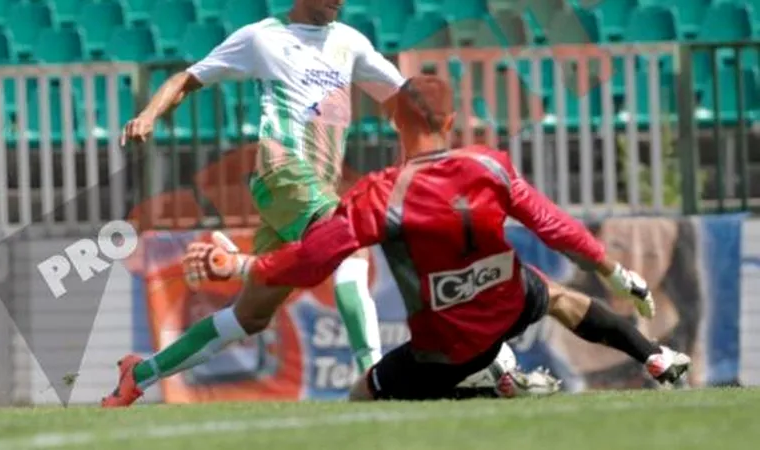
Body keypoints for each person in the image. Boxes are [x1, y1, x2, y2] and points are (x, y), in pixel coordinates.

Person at [104, 0, 545, 407]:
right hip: (284, 173)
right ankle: (377, 380)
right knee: (349, 249)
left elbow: (402, 103)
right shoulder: (262, 38)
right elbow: (187, 79)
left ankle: (139, 374)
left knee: (249, 318)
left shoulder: (349, 43)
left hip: (311, 191)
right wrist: (148, 115)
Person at [181, 75, 691, 401]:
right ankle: (653, 354)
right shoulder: (490, 163)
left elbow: (313, 258)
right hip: (508, 301)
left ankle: (486, 388)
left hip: (443, 344)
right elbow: (553, 226)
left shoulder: (382, 193)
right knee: (556, 295)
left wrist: (246, 267)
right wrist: (614, 271)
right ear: (449, 122)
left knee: (362, 395)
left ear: (392, 120)